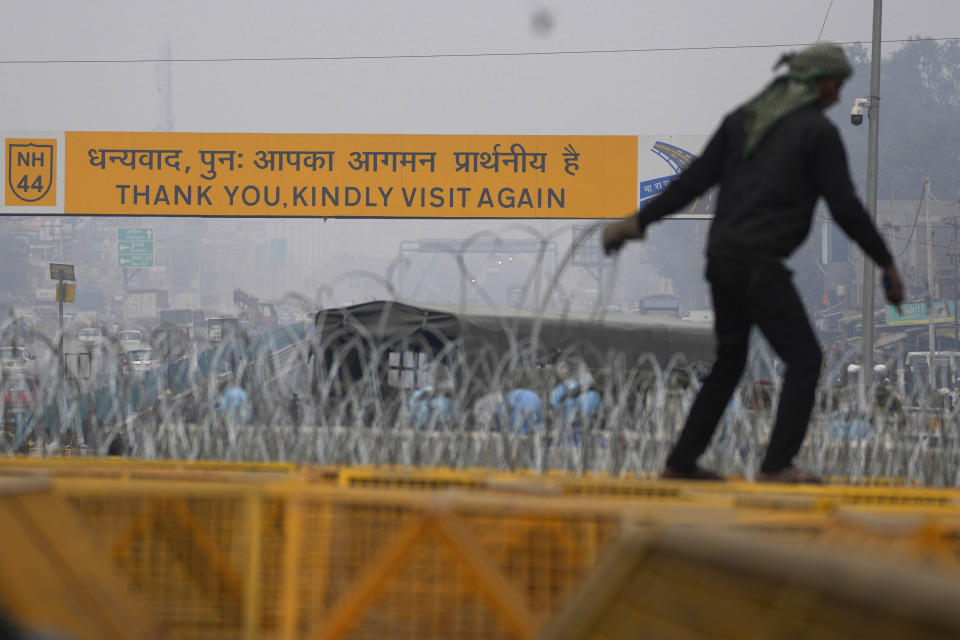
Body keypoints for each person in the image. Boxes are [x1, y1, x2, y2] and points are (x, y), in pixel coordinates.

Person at [602, 43, 904, 484]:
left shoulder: (741, 122)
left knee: (730, 361)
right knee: (804, 359)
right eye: (836, 86)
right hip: (757, 260)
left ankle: (681, 462)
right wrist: (886, 263)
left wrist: (639, 221)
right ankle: (777, 465)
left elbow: (692, 180)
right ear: (815, 83)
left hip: (721, 256)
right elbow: (845, 207)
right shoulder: (816, 133)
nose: (838, 97)